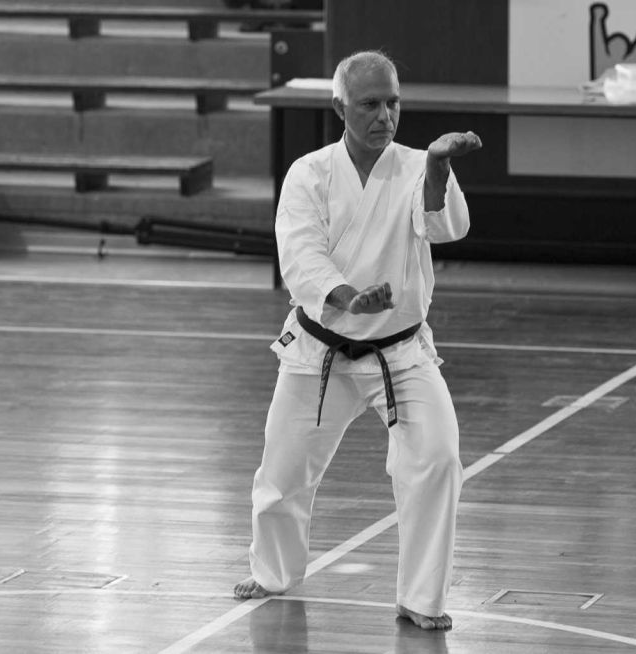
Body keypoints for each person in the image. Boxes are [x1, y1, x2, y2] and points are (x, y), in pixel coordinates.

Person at [234, 50, 482, 631]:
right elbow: (301, 256)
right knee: (282, 474)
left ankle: (421, 598)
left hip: (398, 351)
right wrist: (348, 297)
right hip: (318, 348)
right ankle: (273, 572)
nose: (385, 116)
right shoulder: (309, 173)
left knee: (438, 459)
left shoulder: (419, 164)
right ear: (339, 106)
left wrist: (441, 168)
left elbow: (449, 227)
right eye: (370, 104)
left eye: (393, 102)